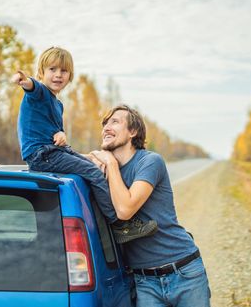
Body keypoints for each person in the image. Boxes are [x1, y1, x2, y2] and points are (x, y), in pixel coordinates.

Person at [10, 46, 157, 244]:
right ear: (41, 73)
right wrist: (23, 80)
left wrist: (60, 134)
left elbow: (52, 129)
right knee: (92, 171)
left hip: (53, 149)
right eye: (52, 69)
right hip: (41, 154)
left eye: (63, 71)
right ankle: (118, 225)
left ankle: (101, 215)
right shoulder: (41, 93)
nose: (58, 75)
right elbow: (31, 87)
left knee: (94, 164)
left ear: (70, 76)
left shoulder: (57, 103)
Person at [88, 104, 211, 307]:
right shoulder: (102, 166)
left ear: (133, 132)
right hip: (145, 283)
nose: (107, 127)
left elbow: (125, 209)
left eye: (115, 122)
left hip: (184, 272)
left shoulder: (150, 161)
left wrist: (110, 164)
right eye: (105, 124)